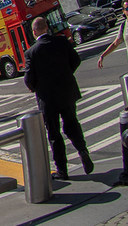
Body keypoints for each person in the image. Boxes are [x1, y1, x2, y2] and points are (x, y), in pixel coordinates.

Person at [24, 16, 93, 179]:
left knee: (54, 134)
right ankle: (82, 150)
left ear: (34, 32)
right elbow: (76, 60)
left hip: (48, 99)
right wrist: (66, 75)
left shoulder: (31, 52)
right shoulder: (61, 42)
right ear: (47, 27)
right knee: (72, 123)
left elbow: (29, 79)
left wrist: (36, 87)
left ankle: (62, 169)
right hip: (67, 91)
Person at [99, 0, 128, 73]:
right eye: (127, 8)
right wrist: (103, 55)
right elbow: (115, 43)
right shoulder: (123, 25)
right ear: (123, 11)